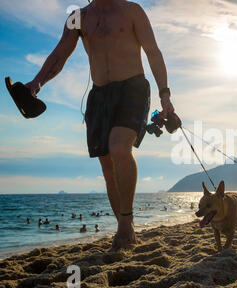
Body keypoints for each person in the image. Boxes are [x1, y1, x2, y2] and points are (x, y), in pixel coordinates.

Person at [25, 0, 174, 250]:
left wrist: (165, 95)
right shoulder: (77, 18)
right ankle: (124, 226)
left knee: (119, 148)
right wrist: (37, 83)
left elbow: (153, 52)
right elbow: (61, 53)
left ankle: (125, 225)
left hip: (133, 89)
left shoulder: (132, 11)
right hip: (99, 95)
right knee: (107, 166)